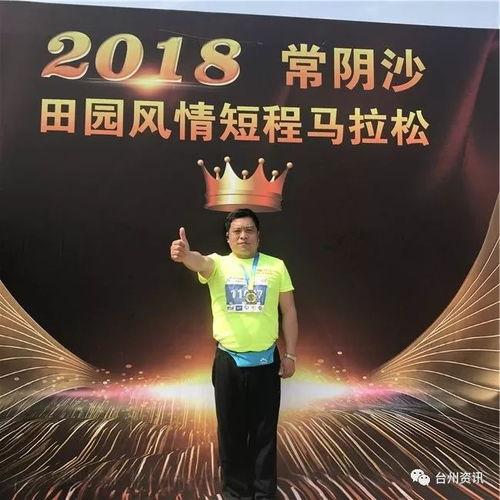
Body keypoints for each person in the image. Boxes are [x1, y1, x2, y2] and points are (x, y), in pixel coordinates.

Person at [170, 208, 298, 500]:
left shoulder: (276, 266)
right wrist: (185, 255)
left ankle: (263, 493)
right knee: (230, 433)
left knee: (265, 433)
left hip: (267, 362)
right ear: (228, 238)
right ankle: (235, 493)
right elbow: (199, 261)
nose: (243, 236)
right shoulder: (218, 264)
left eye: (249, 230)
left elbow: (289, 312)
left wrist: (291, 355)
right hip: (228, 362)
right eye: (237, 231)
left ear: (258, 236)